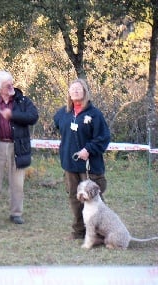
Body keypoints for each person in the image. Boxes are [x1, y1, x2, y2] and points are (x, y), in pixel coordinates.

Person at [53, 78, 110, 239]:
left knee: (93, 199)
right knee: (74, 198)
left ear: (85, 92)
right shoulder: (64, 113)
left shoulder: (95, 114)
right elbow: (56, 123)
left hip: (89, 165)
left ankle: (103, 232)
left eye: (79, 89)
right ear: (69, 93)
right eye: (72, 89)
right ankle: (79, 231)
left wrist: (88, 149)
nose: (75, 91)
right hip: (70, 164)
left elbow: (103, 138)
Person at [0, 70, 39, 224]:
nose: (11, 86)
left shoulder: (22, 100)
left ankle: (16, 213)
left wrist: (12, 115)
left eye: (12, 82)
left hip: (18, 146)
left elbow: (33, 117)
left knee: (17, 182)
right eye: (8, 84)